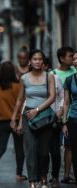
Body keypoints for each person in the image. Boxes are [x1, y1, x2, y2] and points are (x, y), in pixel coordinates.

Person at [11, 49, 55, 188]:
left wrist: (37, 110)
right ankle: (32, 181)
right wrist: (14, 118)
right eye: (35, 59)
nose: (37, 62)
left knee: (43, 151)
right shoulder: (24, 78)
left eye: (40, 59)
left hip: (44, 117)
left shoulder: (49, 76)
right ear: (30, 61)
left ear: (43, 61)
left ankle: (43, 177)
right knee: (30, 150)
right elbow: (19, 100)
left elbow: (52, 97)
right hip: (28, 117)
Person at [0, 61, 26, 182]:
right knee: (19, 148)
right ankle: (19, 174)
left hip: (1, 121)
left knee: (1, 147)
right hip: (17, 120)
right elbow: (23, 103)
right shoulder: (18, 86)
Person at [52, 46, 76, 184]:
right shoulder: (53, 74)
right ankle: (62, 174)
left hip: (70, 114)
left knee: (70, 145)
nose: (73, 59)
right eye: (70, 56)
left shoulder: (75, 71)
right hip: (58, 115)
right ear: (61, 58)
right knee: (60, 147)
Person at [42, 58, 64, 187]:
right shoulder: (33, 80)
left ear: (46, 66)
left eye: (42, 63)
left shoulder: (56, 78)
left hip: (54, 118)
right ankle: (43, 177)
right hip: (40, 120)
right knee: (42, 152)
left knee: (55, 152)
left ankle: (55, 177)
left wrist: (60, 111)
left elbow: (62, 96)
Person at [62, 50, 77, 186]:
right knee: (74, 150)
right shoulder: (69, 80)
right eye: (74, 59)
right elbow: (66, 102)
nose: (76, 61)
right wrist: (64, 122)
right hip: (73, 119)